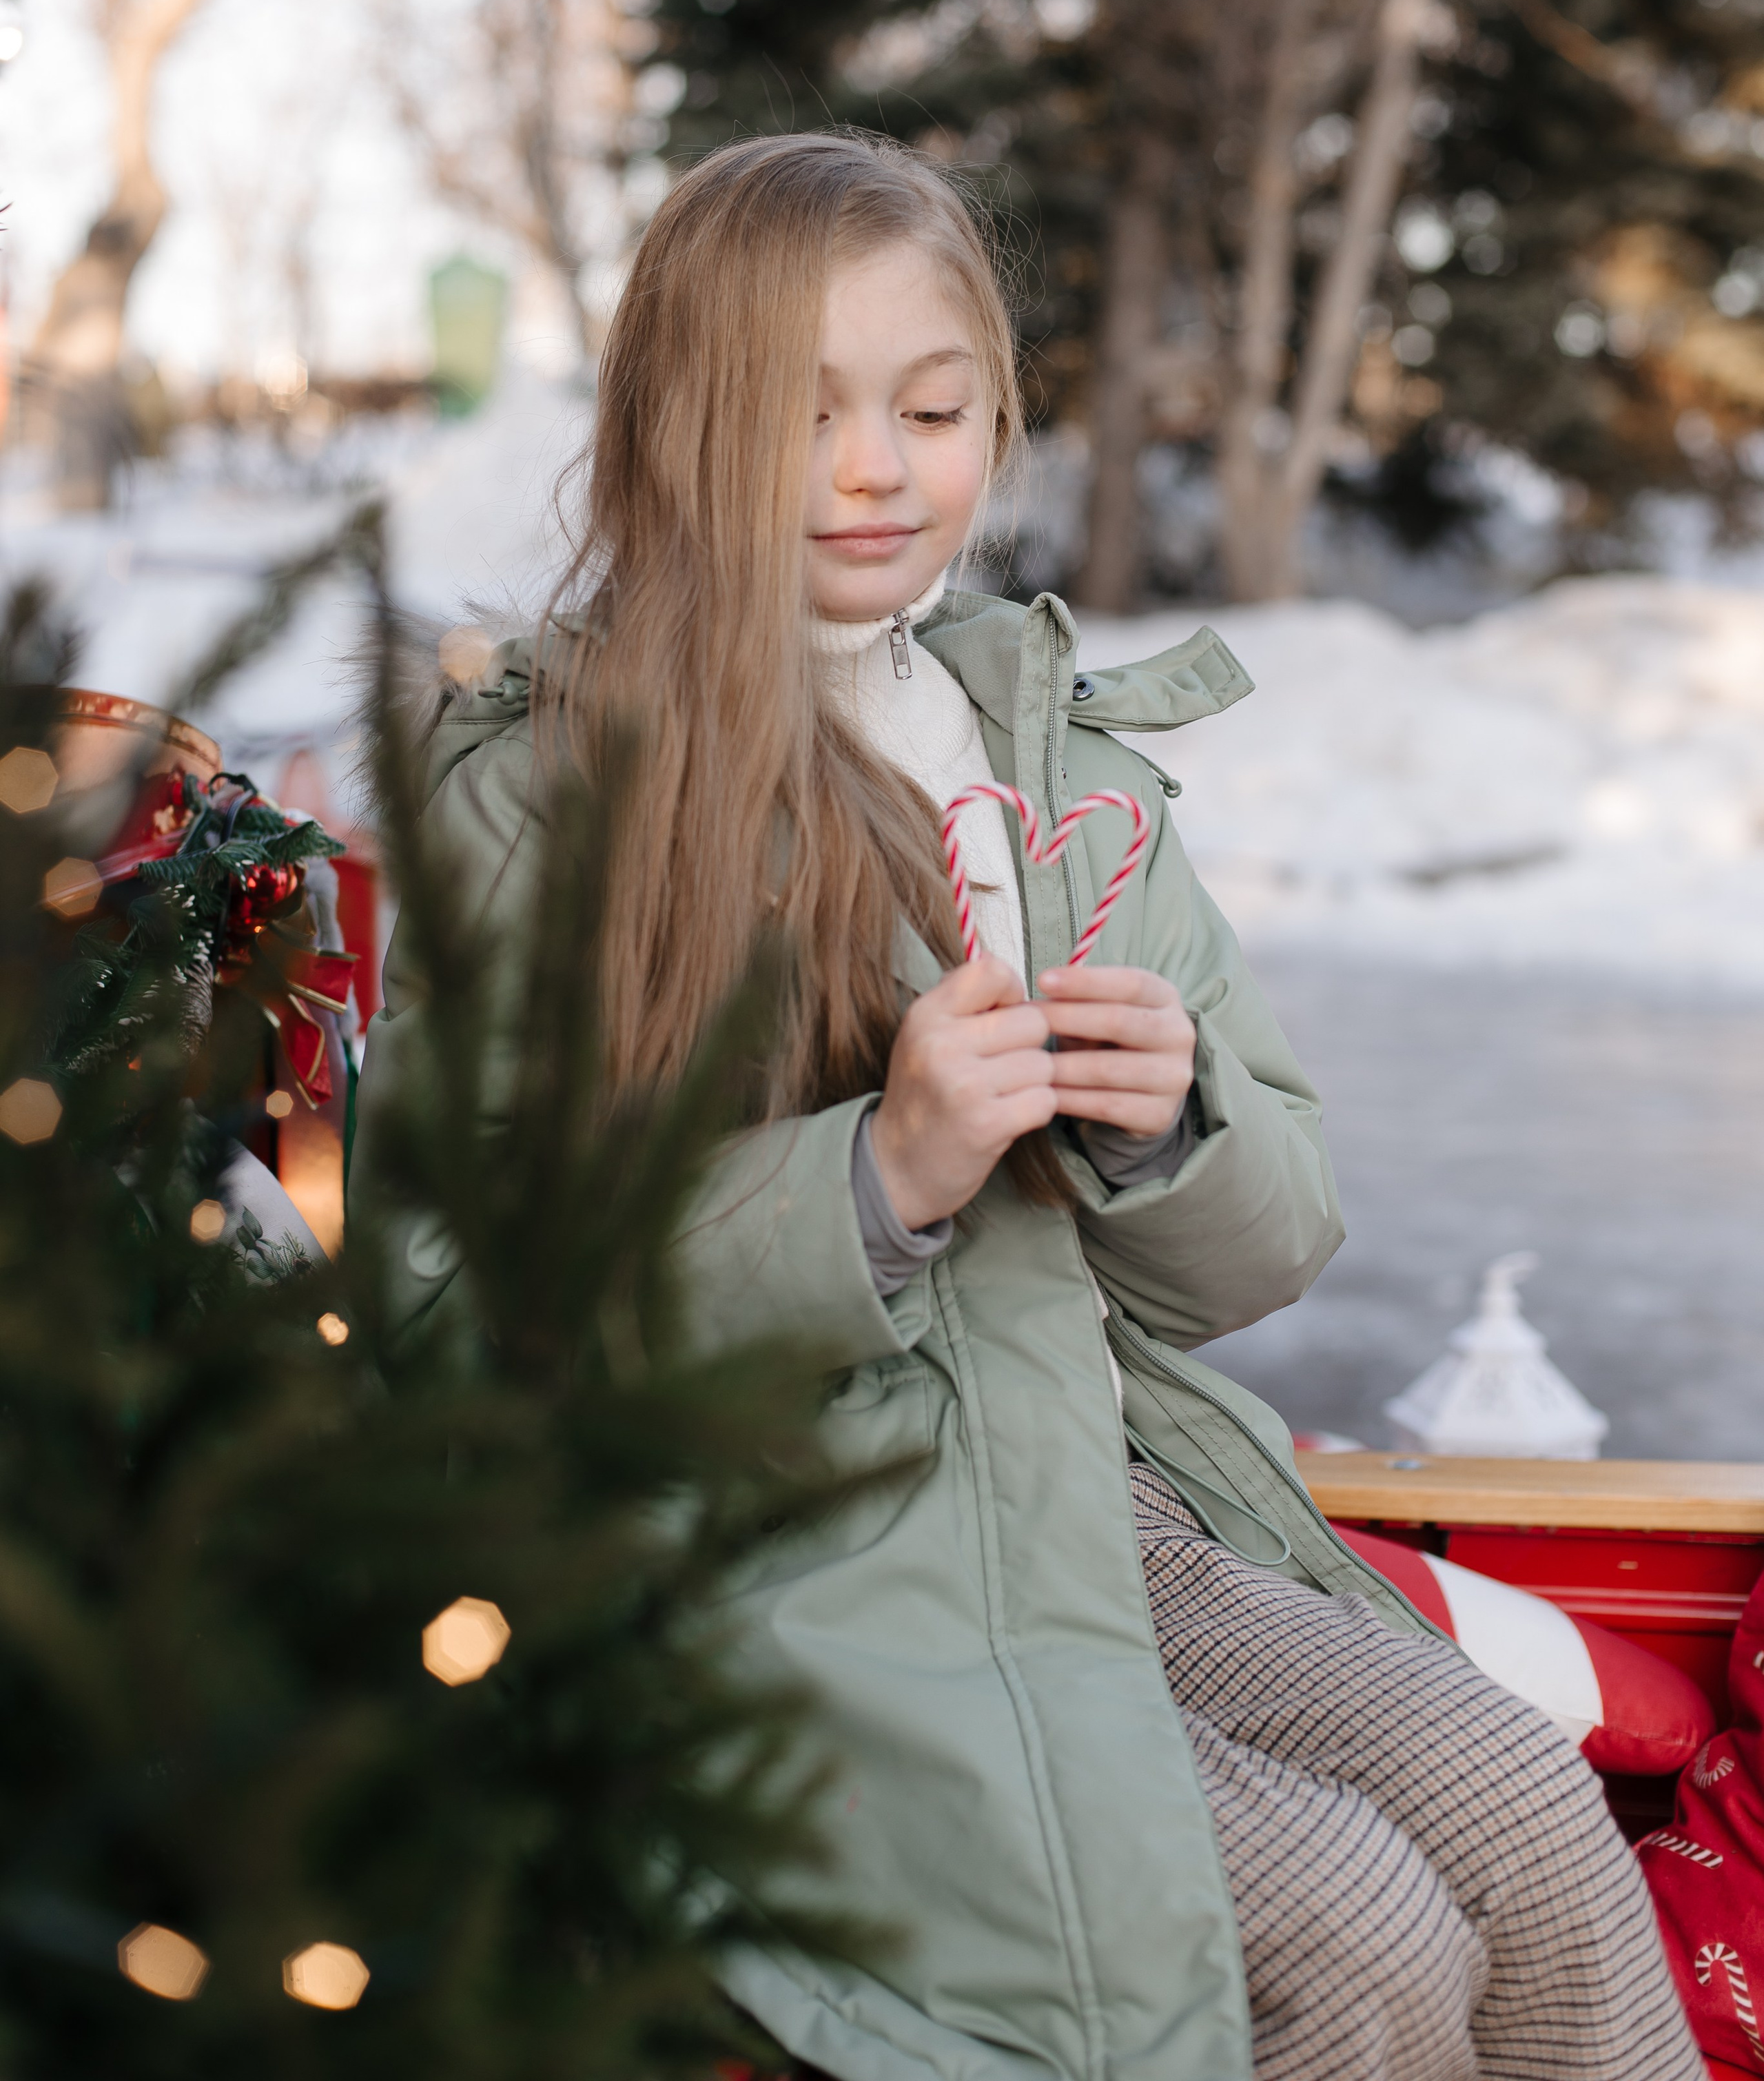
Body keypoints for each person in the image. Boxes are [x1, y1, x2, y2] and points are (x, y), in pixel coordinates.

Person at [349, 132, 1699, 2081]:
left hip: (1097, 1485)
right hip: (771, 1562)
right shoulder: (544, 798)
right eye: (800, 414)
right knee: (1357, 1938)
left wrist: (1171, 1125)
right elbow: (450, 1315)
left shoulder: (1052, 760)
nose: (876, 468)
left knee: (1526, 1819)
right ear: (670, 427)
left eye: (932, 405)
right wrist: (870, 1177)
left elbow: (1276, 1233)